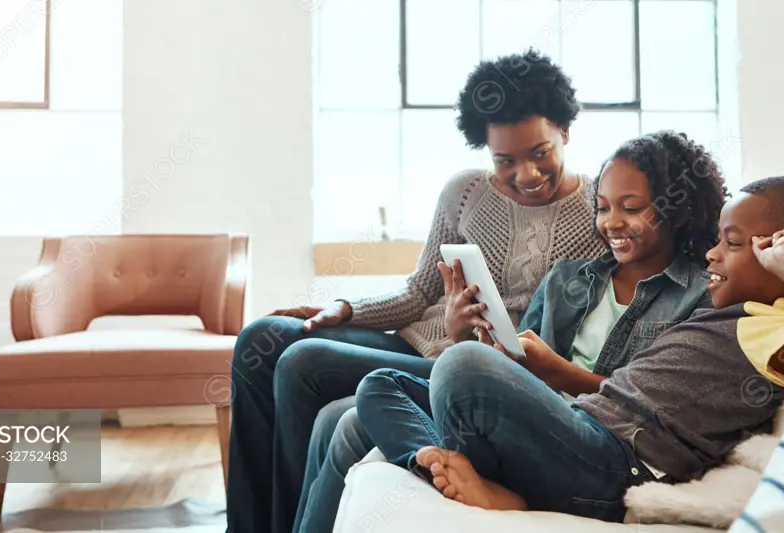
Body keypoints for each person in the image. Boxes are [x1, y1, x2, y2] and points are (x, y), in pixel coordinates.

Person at [355, 176, 784, 522]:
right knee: (382, 386)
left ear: (781, 253)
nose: (712, 253)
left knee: (465, 364)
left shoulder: (778, 325)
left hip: (616, 466)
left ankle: (488, 480)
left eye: (732, 243)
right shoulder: (727, 316)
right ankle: (440, 463)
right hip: (581, 430)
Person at [225, 49, 607, 533]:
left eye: (540, 153)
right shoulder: (465, 192)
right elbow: (418, 290)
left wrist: (468, 336)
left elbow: (564, 331)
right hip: (415, 337)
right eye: (505, 160)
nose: (525, 175)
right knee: (262, 338)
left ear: (565, 133)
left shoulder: (600, 211)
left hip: (467, 366)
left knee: (302, 364)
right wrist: (344, 308)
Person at [293, 128, 730, 532]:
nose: (611, 222)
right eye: (603, 207)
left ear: (676, 209)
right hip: (524, 419)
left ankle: (472, 475)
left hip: (593, 440)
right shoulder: (567, 279)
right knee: (369, 397)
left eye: (631, 208)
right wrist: (475, 339)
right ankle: (439, 462)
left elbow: (646, 405)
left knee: (395, 397)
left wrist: (548, 370)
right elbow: (517, 371)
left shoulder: (700, 296)